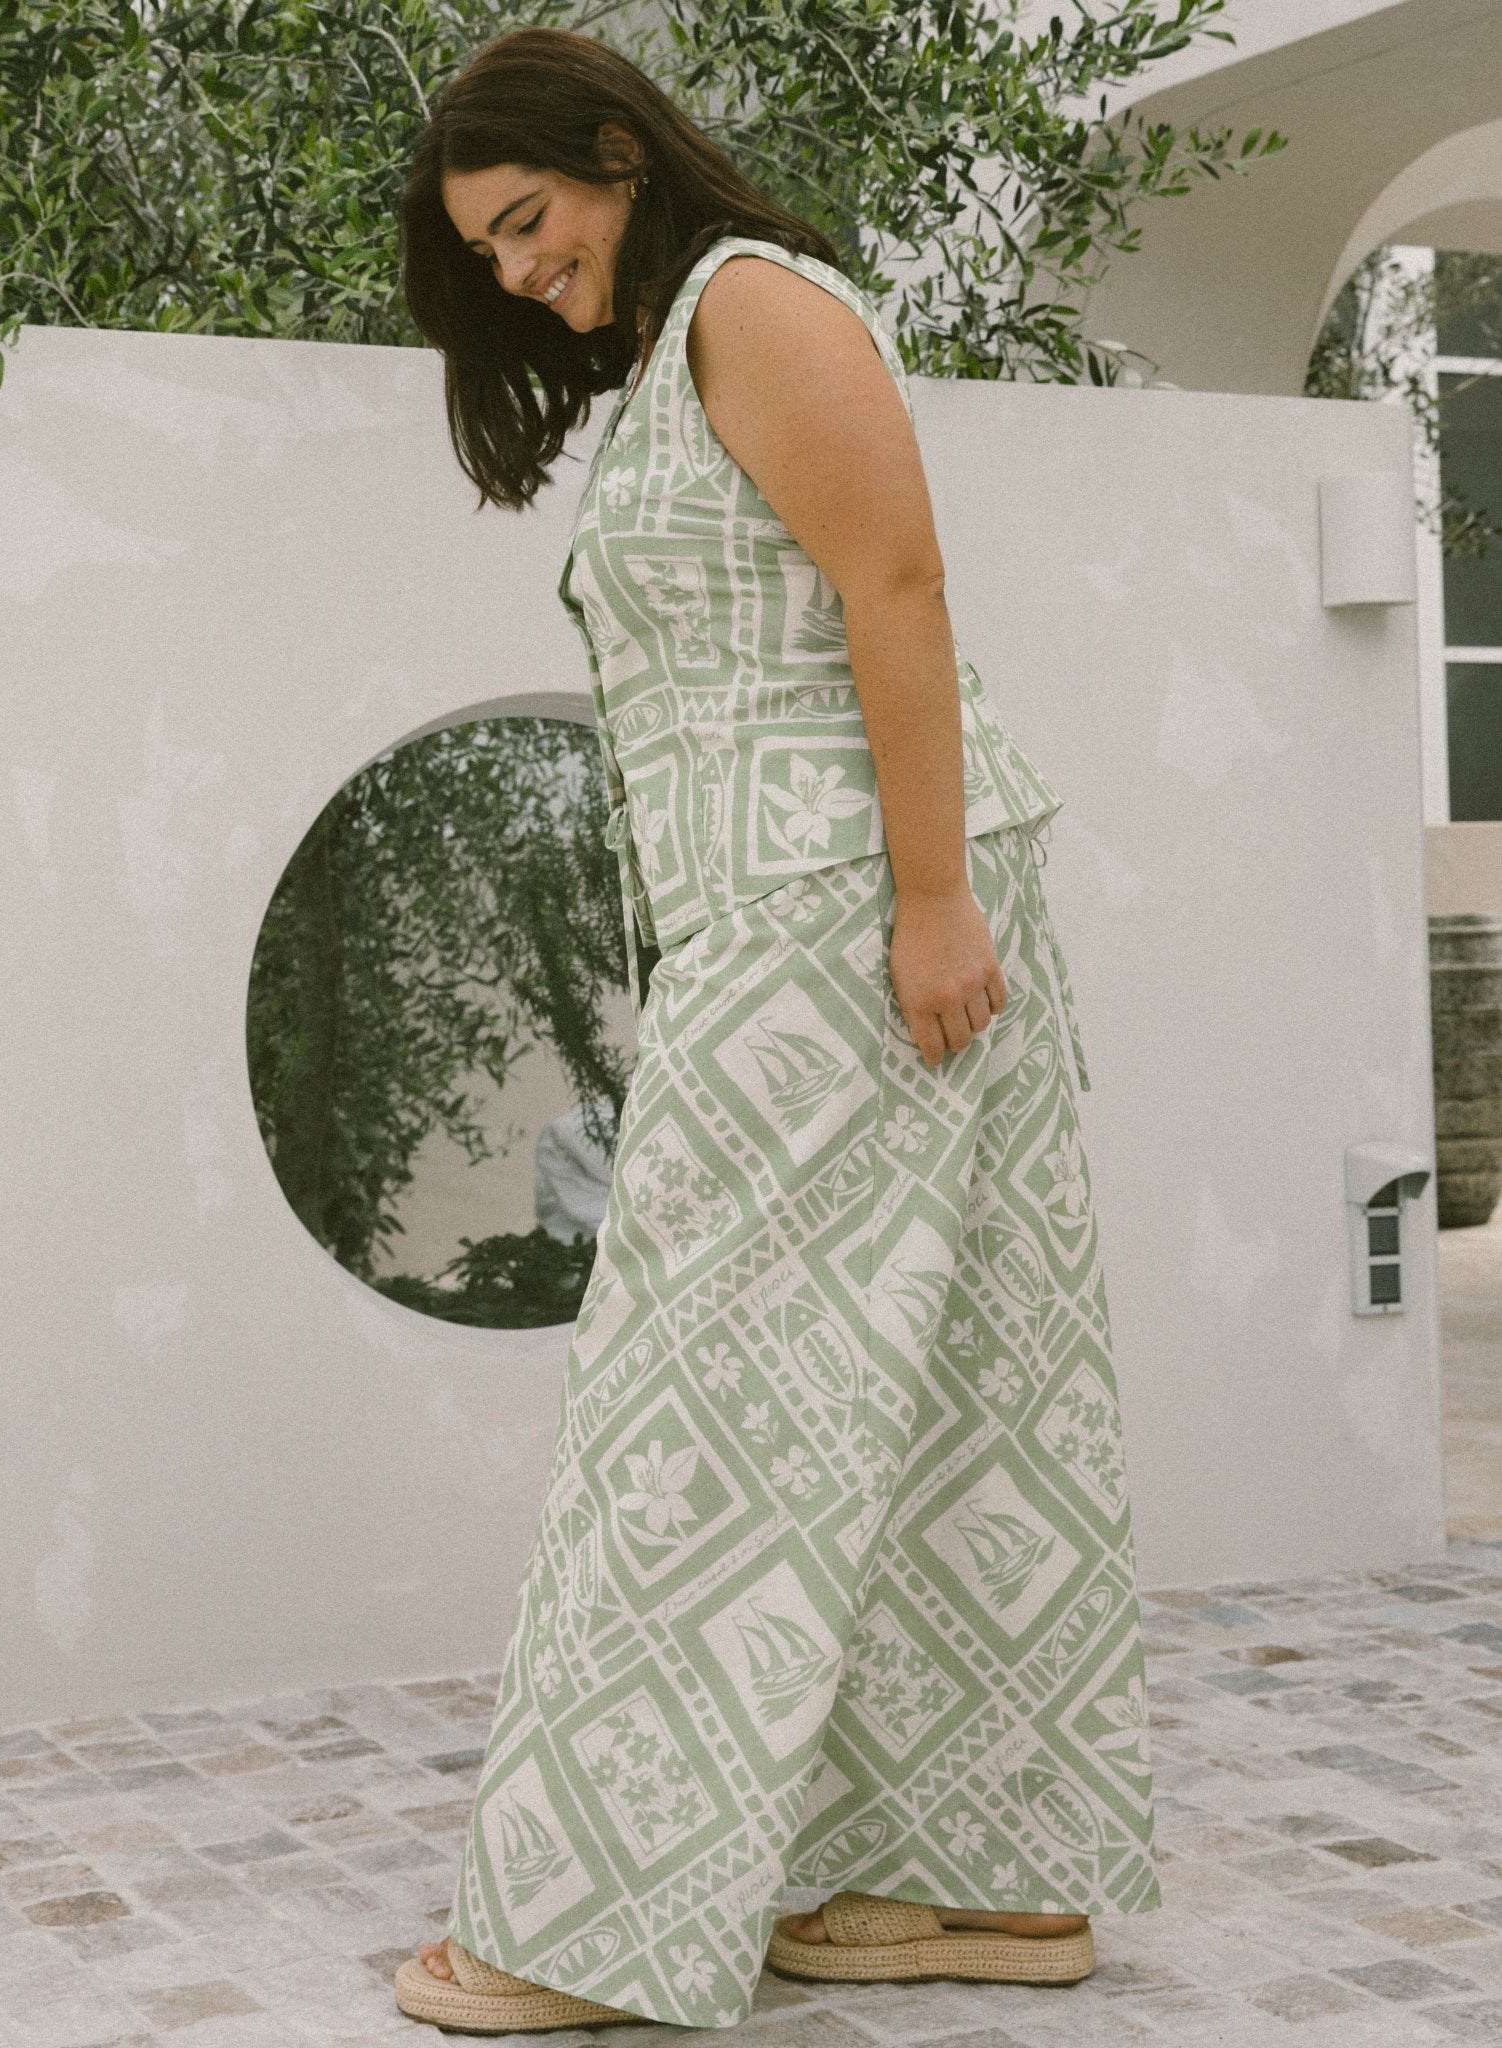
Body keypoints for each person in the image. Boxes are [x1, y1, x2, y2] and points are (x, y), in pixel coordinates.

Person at [393, 26, 1159, 2034]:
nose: (517, 270)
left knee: (686, 1412)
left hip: (846, 914)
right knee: (959, 1388)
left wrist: (931, 900)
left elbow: (896, 583)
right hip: (804, 913)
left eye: (528, 221)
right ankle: (986, 1880)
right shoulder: (677, 351)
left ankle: (572, 1927)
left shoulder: (754, 306)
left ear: (619, 154)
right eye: (488, 252)